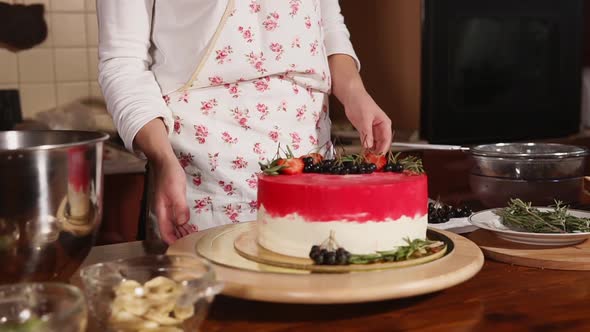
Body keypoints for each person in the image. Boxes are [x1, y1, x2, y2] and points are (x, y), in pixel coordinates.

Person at [98, 0, 392, 244]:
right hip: (204, 182)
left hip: (311, 168)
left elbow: (327, 21)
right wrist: (162, 157)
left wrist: (354, 91)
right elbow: (123, 61)